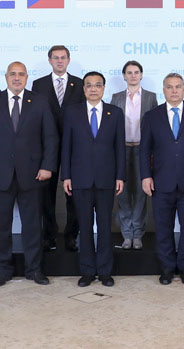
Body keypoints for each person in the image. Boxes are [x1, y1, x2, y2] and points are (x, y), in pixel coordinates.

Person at [0, 62, 57, 287]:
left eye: (21, 74)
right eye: (13, 74)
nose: (17, 78)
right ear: (6, 77)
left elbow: (50, 137)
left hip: (33, 175)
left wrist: (47, 166)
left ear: (27, 77)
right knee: (0, 227)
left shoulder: (40, 102)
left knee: (33, 226)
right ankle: (3, 270)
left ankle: (34, 270)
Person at [140, 73, 184, 285]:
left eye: (178, 86)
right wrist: (146, 176)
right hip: (161, 182)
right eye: (170, 87)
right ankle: (167, 268)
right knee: (163, 229)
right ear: (164, 90)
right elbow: (144, 150)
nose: (174, 90)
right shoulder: (152, 116)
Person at [61, 71, 125, 287]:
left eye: (98, 85)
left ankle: (105, 271)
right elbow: (66, 146)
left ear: (104, 88)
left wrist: (120, 176)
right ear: (84, 89)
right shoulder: (72, 112)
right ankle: (87, 271)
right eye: (89, 85)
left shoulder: (115, 113)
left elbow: (120, 147)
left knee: (105, 227)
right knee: (85, 226)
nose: (93, 89)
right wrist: (66, 176)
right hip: (80, 179)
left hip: (107, 179)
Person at [31, 45, 84, 252]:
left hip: (75, 146)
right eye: (56, 58)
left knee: (74, 194)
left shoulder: (80, 84)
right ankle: (49, 236)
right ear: (50, 61)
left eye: (63, 57)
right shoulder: (38, 84)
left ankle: (71, 236)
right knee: (46, 194)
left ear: (68, 60)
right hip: (47, 147)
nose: (60, 61)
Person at [110, 61, 157, 250]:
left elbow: (155, 125)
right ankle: (126, 234)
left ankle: (137, 233)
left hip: (142, 150)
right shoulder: (116, 97)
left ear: (141, 74)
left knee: (140, 193)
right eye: (129, 72)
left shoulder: (150, 97)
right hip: (120, 149)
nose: (133, 75)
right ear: (124, 76)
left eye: (136, 72)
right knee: (121, 193)